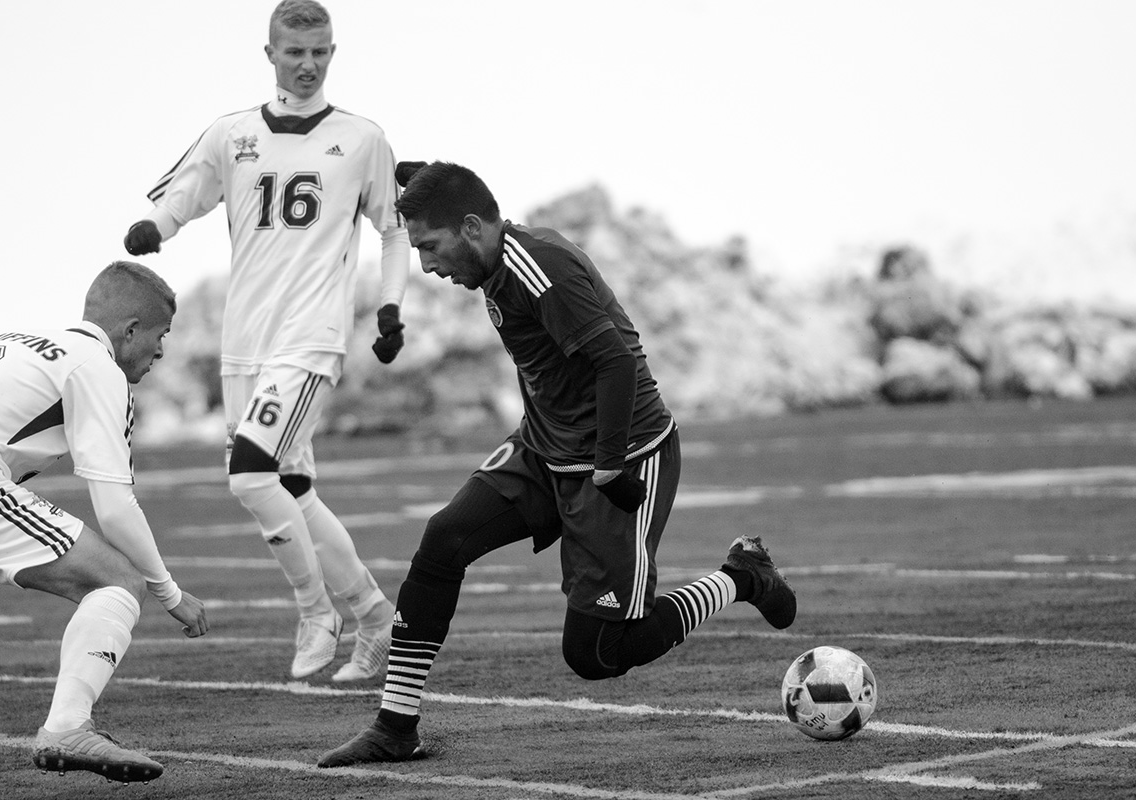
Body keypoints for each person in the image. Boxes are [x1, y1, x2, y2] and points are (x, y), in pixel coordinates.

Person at [317, 162, 797, 766]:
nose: (428, 267)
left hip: (621, 456)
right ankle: (395, 726)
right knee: (443, 540)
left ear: (471, 227)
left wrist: (607, 467)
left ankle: (742, 576)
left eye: (431, 248)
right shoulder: (491, 254)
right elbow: (444, 186)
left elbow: (617, 362)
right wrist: (400, 170)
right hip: (544, 448)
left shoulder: (537, 268)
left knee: (597, 655)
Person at [122, 0, 410, 681]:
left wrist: (391, 307)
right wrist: (155, 229)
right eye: (294, 53)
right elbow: (185, 193)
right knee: (294, 487)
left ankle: (317, 610)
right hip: (243, 341)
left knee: (250, 472)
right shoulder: (232, 135)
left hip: (310, 337)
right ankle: (376, 619)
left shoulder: (362, 139)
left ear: (333, 54)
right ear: (271, 55)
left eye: (319, 53)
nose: (307, 65)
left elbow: (393, 231)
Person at [0, 261, 208, 784]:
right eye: (160, 335)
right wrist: (170, 594)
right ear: (130, 331)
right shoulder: (97, 367)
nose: (161, 351)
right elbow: (114, 506)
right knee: (119, 580)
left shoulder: (18, 338)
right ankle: (66, 728)